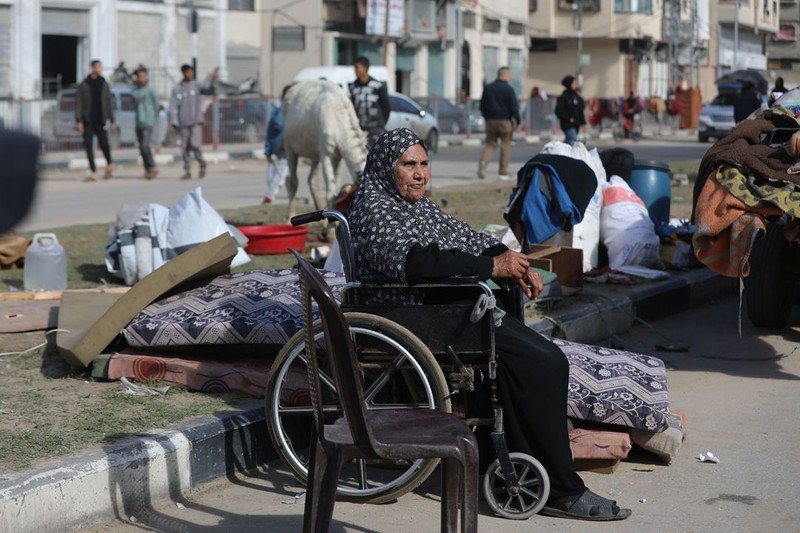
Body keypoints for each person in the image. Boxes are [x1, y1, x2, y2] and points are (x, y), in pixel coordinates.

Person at [348, 128, 632, 522]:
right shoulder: (375, 210)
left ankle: (520, 458)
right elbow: (418, 263)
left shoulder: (416, 207)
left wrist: (511, 260)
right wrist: (489, 267)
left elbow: (463, 237)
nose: (419, 174)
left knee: (532, 360)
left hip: (443, 310)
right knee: (546, 362)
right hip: (416, 316)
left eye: (424, 164)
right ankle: (561, 490)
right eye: (408, 164)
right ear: (385, 168)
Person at [477, 67, 521, 181]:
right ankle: (503, 172)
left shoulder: (488, 88)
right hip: (505, 121)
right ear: (504, 75)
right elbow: (514, 107)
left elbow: (482, 106)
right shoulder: (509, 89)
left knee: (490, 144)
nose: (510, 77)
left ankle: (483, 162)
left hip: (491, 120)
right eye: (509, 75)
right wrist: (518, 120)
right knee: (505, 145)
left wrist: (487, 117)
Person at [75, 60, 115, 182]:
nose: (100, 69)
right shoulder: (84, 85)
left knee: (104, 144)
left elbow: (109, 103)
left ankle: (109, 164)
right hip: (88, 120)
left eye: (101, 67)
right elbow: (79, 103)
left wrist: (112, 120)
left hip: (101, 119)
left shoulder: (104, 84)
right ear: (92, 68)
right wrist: (79, 120)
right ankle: (93, 171)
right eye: (98, 67)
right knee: (88, 145)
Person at [169, 64, 209, 180]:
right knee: (185, 147)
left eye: (191, 72)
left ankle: (202, 163)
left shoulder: (197, 86)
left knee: (195, 144)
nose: (189, 74)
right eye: (187, 72)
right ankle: (187, 169)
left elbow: (208, 87)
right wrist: (170, 118)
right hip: (184, 122)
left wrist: (211, 80)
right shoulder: (178, 88)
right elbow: (173, 104)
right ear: (183, 73)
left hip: (196, 121)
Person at [348, 56, 391, 149]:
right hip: (359, 129)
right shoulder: (352, 87)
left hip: (376, 128)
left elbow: (386, 107)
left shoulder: (378, 86)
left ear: (365, 68)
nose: (355, 70)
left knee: (376, 156)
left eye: (357, 67)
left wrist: (381, 124)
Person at [131, 66, 160, 180]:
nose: (141, 78)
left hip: (148, 121)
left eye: (143, 76)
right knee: (142, 148)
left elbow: (156, 105)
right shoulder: (135, 91)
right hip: (139, 122)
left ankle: (152, 167)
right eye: (139, 77)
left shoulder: (150, 90)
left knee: (145, 145)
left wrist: (153, 117)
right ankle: (147, 169)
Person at [263, 86, 290, 204]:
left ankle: (271, 196)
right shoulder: (279, 112)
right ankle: (270, 195)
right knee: (276, 174)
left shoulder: (293, 112)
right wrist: (268, 150)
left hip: (288, 149)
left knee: (283, 172)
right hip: (278, 147)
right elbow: (272, 130)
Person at [555, 75, 586, 145]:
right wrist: (568, 118)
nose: (576, 85)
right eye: (574, 83)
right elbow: (558, 111)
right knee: (573, 142)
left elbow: (580, 110)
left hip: (576, 125)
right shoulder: (564, 97)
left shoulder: (577, 97)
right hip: (567, 125)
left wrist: (583, 123)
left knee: (568, 144)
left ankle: (562, 152)